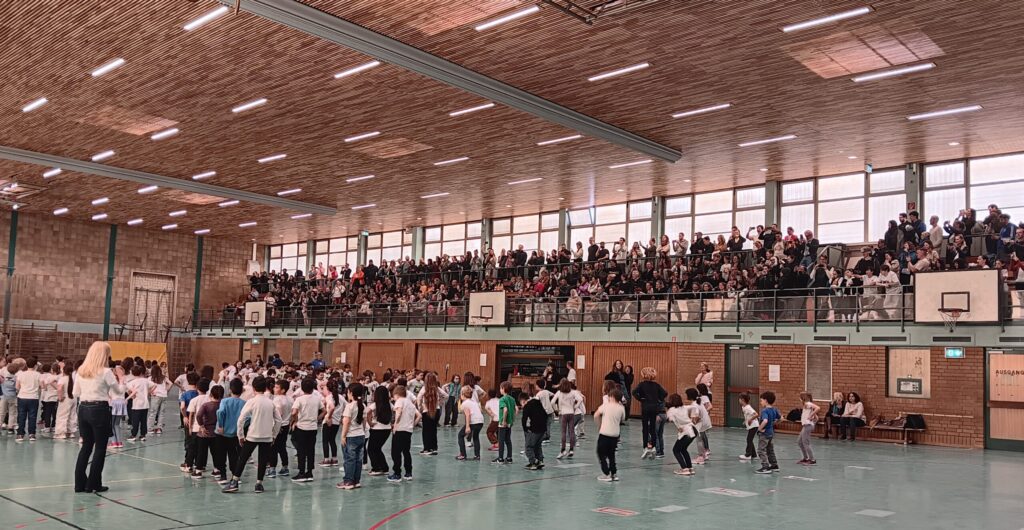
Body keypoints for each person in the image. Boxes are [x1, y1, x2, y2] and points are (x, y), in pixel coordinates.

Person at [73, 342, 125, 493]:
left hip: (83, 408)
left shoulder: (81, 370)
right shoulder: (106, 372)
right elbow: (119, 391)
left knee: (86, 446)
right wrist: (121, 379)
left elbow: (75, 393)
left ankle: (79, 484)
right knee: (100, 448)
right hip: (99, 409)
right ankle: (93, 484)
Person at [222, 376, 282, 494]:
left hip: (252, 435)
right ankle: (259, 484)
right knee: (263, 460)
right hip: (267, 436)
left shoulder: (251, 401)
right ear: (265, 388)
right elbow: (278, 420)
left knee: (243, 458)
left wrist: (240, 435)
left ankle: (234, 481)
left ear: (253, 388)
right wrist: (274, 434)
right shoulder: (271, 403)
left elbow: (241, 419)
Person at [290, 377, 324, 482]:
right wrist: (317, 418)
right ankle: (309, 472)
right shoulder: (316, 399)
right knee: (310, 450)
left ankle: (301, 472)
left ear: (302, 388)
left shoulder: (299, 399)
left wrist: (295, 421)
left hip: (302, 427)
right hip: (313, 427)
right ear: (313, 388)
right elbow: (324, 410)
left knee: (301, 450)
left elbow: (294, 412)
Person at [213, 379, 245, 484]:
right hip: (235, 434)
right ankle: (235, 476)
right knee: (234, 455)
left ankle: (223, 476)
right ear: (242, 390)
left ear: (230, 390)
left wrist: (221, 425)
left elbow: (220, 412)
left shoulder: (225, 401)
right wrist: (241, 428)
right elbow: (248, 418)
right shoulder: (244, 403)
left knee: (221, 455)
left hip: (221, 433)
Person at [632, 367, 667, 459]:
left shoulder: (642, 384)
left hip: (646, 407)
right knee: (652, 428)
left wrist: (641, 399)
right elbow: (665, 393)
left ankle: (645, 447)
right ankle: (654, 446)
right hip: (654, 408)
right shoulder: (656, 385)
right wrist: (658, 399)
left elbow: (634, 392)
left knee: (645, 428)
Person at [337, 383, 367, 490]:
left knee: (349, 459)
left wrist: (343, 436)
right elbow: (364, 422)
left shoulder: (349, 406)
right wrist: (362, 431)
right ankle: (356, 481)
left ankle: (348, 481)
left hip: (351, 436)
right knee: (358, 459)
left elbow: (346, 422)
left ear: (351, 393)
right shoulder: (363, 405)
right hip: (361, 435)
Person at [388, 385, 420, 482]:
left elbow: (399, 413)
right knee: (406, 451)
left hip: (400, 429)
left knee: (396, 452)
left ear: (396, 394)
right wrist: (413, 425)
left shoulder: (399, 401)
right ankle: (408, 473)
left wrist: (395, 425)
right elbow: (419, 416)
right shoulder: (410, 403)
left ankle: (397, 474)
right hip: (408, 430)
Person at [594, 387, 625, 482]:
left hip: (605, 433)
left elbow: (596, 415)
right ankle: (614, 474)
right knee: (611, 455)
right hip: (615, 435)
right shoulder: (621, 408)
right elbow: (622, 419)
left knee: (600, 453)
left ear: (612, 397)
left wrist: (599, 425)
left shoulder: (605, 406)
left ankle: (606, 473)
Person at [666, 391, 698, 476]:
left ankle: (684, 469)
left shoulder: (671, 410)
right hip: (693, 429)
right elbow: (694, 408)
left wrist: (678, 426)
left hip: (687, 431)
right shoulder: (684, 407)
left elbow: (670, 419)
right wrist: (693, 417)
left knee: (676, 450)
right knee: (683, 449)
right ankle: (690, 468)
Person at [266, 379, 293, 478]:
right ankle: (285, 467)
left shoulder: (277, 399)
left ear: (283, 390)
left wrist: (276, 426)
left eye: (277, 387)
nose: (274, 388)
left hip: (279, 426)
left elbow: (278, 414)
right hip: (286, 425)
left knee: (273, 448)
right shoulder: (290, 399)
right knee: (282, 447)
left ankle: (272, 469)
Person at [365, 385, 393, 476]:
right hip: (387, 429)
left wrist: (369, 422)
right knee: (377, 449)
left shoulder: (375, 405)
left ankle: (376, 468)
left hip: (377, 429)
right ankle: (384, 468)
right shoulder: (389, 404)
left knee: (371, 449)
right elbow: (395, 412)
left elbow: (366, 412)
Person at [415, 372, 445, 455]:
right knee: (433, 430)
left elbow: (418, 398)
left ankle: (427, 449)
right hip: (437, 410)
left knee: (426, 431)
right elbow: (446, 395)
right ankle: (434, 448)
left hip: (427, 411)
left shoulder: (424, 388)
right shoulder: (437, 388)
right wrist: (440, 402)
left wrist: (420, 407)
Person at [521, 383, 548, 470]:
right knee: (537, 445)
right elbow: (545, 414)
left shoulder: (527, 406)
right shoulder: (537, 402)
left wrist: (525, 429)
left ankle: (534, 462)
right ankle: (540, 460)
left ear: (523, 401)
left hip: (534, 429)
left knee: (529, 447)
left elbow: (524, 419)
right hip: (543, 428)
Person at [125, 365, 155, 442]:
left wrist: (130, 395)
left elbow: (128, 390)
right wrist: (149, 392)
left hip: (137, 404)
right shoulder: (146, 381)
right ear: (141, 372)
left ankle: (133, 435)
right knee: (143, 420)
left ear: (132, 373)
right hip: (145, 404)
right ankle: (143, 435)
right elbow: (154, 385)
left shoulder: (132, 382)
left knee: (135, 421)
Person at [14, 357, 41, 442]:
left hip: (22, 397)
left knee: (21, 416)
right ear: (35, 365)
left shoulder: (21, 374)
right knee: (32, 416)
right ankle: (32, 434)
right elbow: (42, 386)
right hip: (33, 397)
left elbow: (17, 386)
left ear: (26, 365)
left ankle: (20, 434)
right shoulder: (38, 374)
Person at [320, 379, 344, 469]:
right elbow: (346, 406)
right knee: (332, 440)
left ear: (328, 388)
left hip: (328, 422)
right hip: (336, 422)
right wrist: (341, 417)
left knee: (325, 441)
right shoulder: (341, 397)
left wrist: (329, 417)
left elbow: (332, 407)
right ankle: (334, 459)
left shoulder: (329, 397)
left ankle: (326, 460)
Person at [754, 390, 781, 475]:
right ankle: (774, 465)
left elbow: (765, 421)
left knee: (761, 450)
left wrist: (759, 428)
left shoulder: (765, 411)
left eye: (761, 400)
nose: (761, 402)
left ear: (766, 400)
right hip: (771, 433)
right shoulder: (774, 410)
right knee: (770, 450)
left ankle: (765, 467)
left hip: (764, 434)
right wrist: (774, 423)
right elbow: (780, 418)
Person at [552, 379, 579, 459]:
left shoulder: (559, 393)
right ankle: (571, 449)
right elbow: (580, 399)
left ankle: (563, 450)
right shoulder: (573, 392)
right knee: (571, 431)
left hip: (563, 414)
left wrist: (556, 410)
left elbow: (552, 402)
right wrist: (575, 407)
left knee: (563, 432)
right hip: (571, 413)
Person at [457, 385, 485, 461]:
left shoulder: (465, 404)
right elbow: (480, 410)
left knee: (460, 435)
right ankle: (477, 455)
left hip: (473, 422)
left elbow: (468, 415)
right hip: (480, 421)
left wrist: (467, 426)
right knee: (475, 437)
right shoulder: (474, 402)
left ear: (462, 394)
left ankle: (463, 454)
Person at [147, 365, 172, 435]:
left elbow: (147, 386)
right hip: (163, 396)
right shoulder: (163, 377)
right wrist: (166, 390)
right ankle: (159, 429)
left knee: (153, 412)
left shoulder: (150, 378)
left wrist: (150, 392)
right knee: (161, 413)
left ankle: (150, 428)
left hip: (155, 396)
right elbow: (170, 383)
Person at [797, 392, 820, 466]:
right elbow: (816, 418)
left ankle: (812, 459)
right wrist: (813, 417)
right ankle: (805, 458)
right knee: (800, 442)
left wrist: (810, 416)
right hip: (806, 425)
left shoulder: (808, 403)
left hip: (808, 426)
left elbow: (818, 408)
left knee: (806, 442)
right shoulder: (806, 405)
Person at [495, 381, 515, 464]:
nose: (500, 390)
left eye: (500, 388)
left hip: (503, 423)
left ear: (503, 389)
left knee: (501, 441)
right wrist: (512, 420)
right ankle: (509, 457)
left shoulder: (502, 399)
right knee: (508, 440)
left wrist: (503, 421)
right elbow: (515, 410)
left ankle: (500, 458)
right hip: (510, 423)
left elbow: (505, 410)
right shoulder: (512, 399)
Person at [738, 392, 758, 461]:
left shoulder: (748, 407)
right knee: (750, 440)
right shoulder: (743, 407)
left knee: (749, 439)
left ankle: (748, 455)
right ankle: (753, 454)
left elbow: (756, 414)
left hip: (754, 426)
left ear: (742, 400)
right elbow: (747, 415)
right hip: (751, 426)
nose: (739, 400)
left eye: (739, 399)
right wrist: (746, 420)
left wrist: (750, 420)